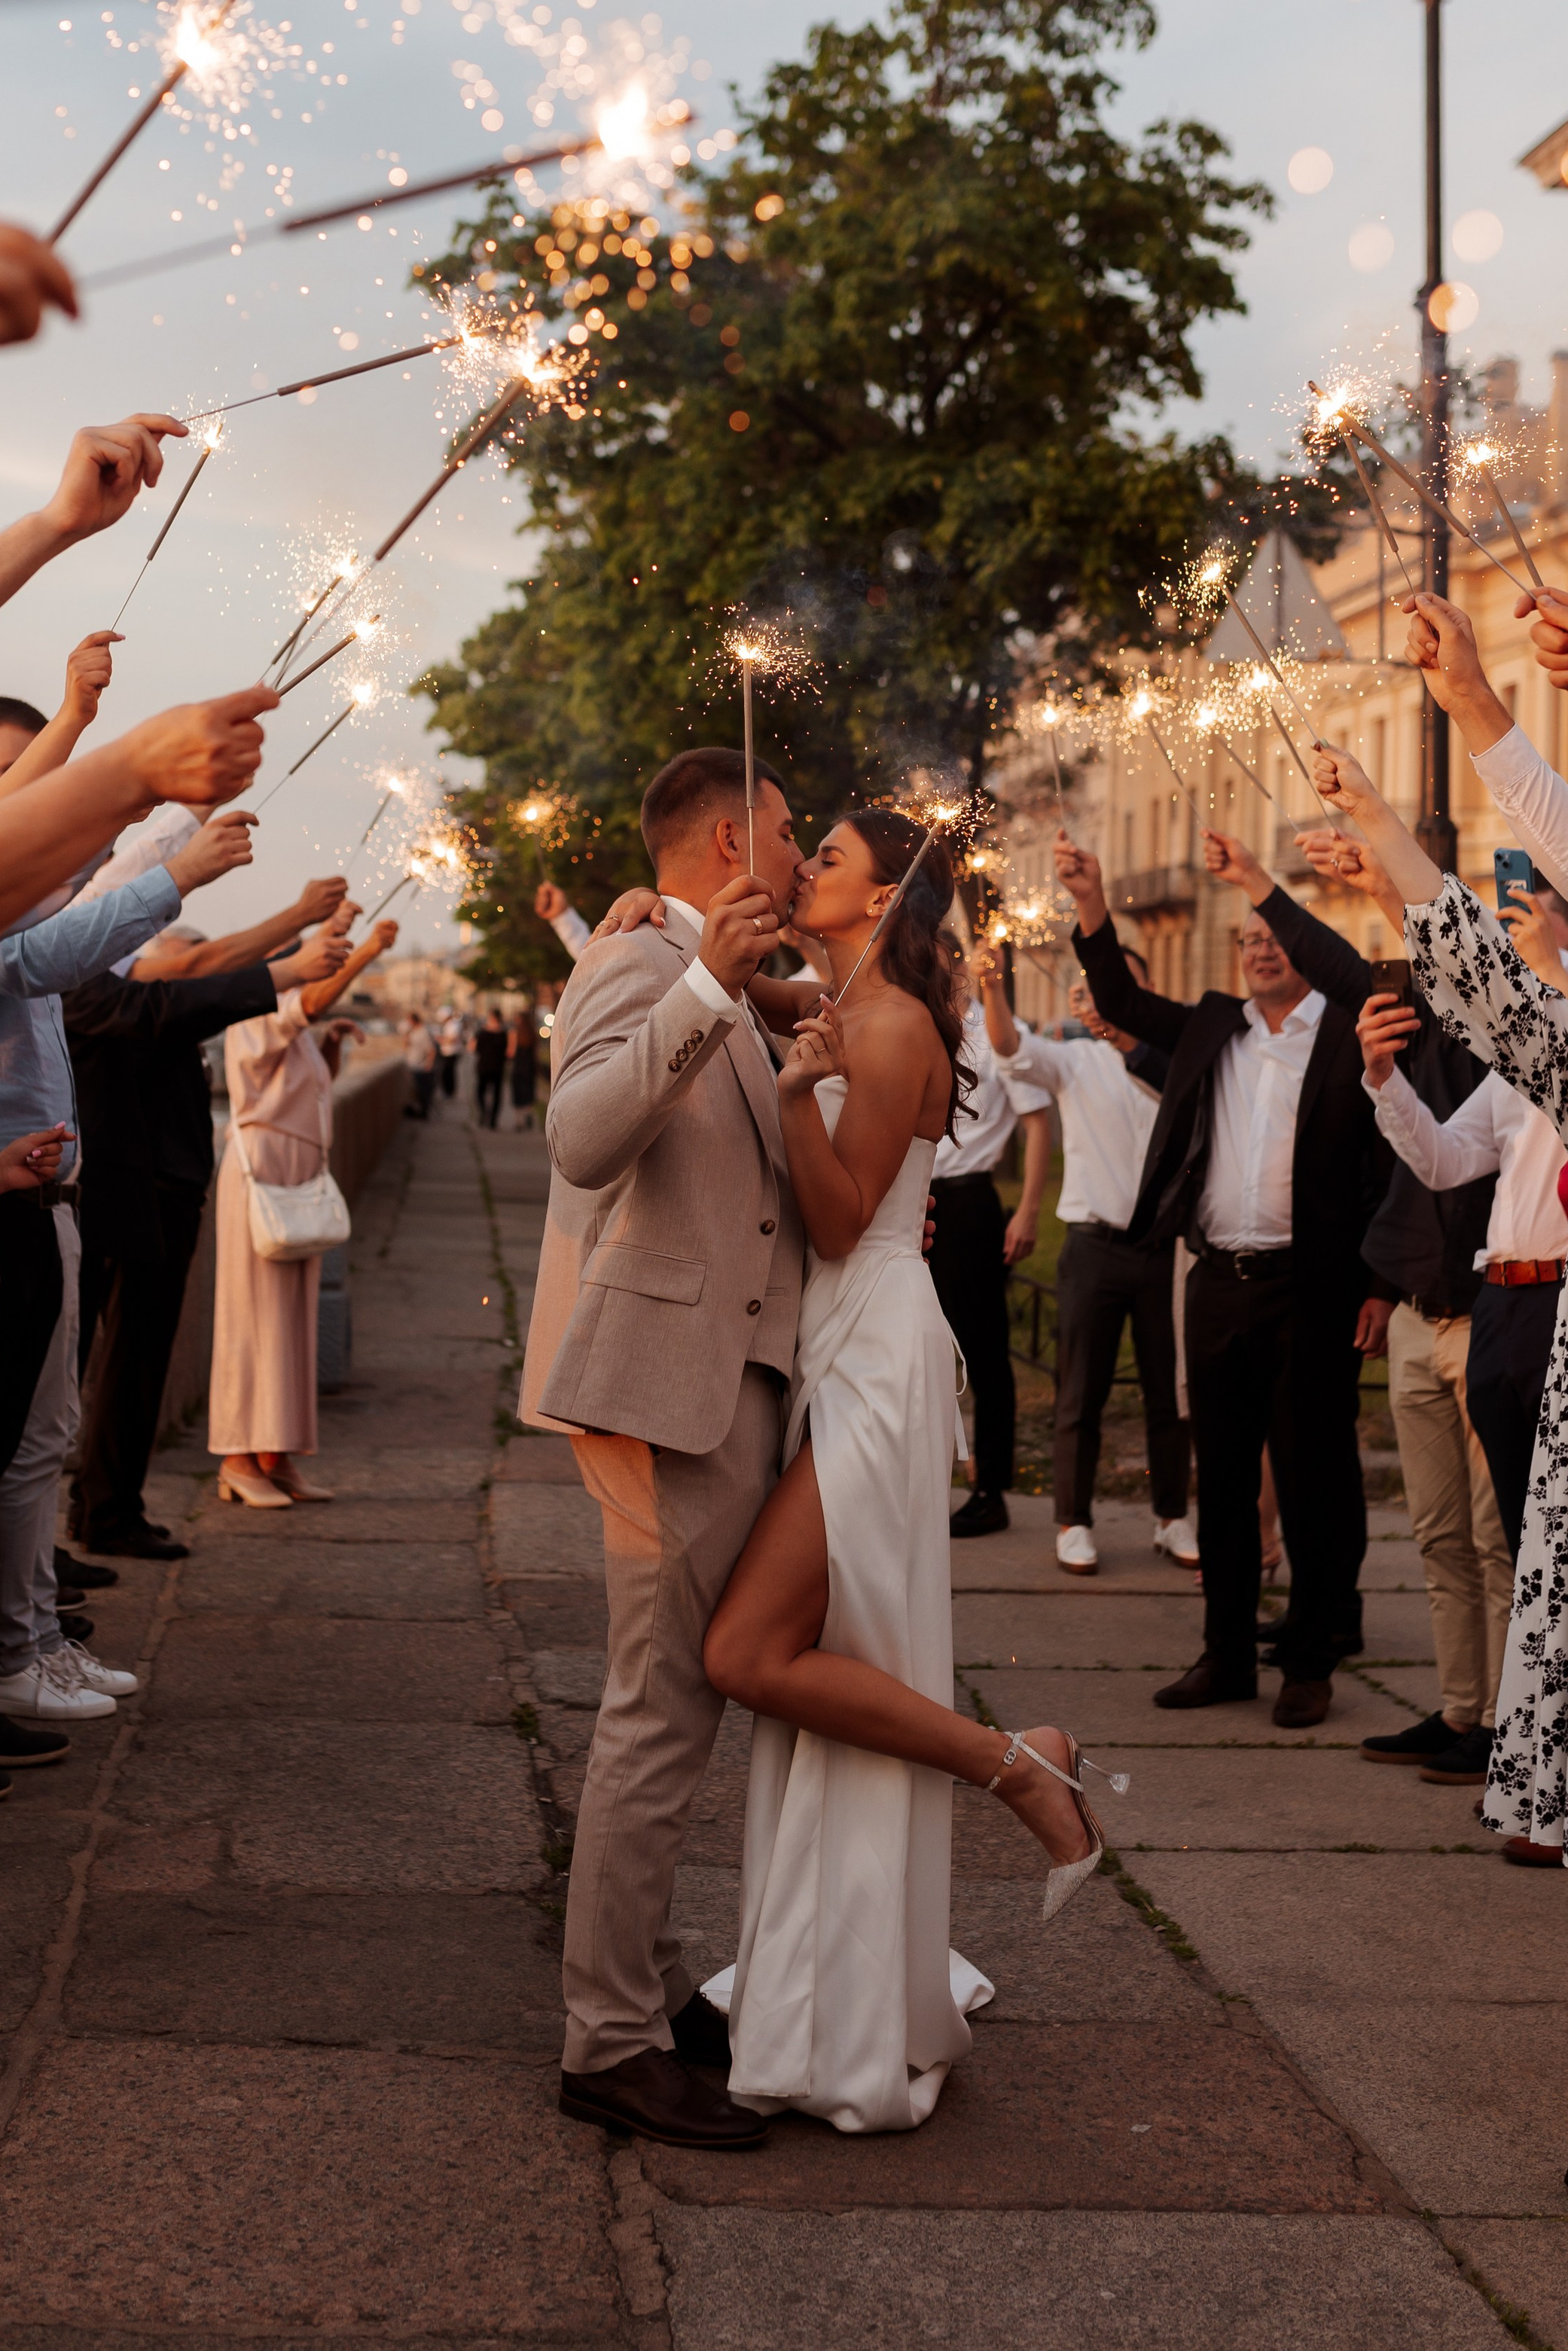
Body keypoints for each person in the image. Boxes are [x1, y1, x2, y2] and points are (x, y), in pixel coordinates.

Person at [558, 774, 1123, 2140]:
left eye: (824, 851)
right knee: (774, 1664)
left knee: (743, 1658)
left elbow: (833, 1215)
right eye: (789, 837)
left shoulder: (880, 1019)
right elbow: (713, 1007)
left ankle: (1018, 1766)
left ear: (882, 894)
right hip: (812, 1358)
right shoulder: (813, 995)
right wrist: (646, 917)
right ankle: (775, 1973)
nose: (800, 859)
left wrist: (800, 1097)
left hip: (865, 1357)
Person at [1197, 823, 1512, 1788]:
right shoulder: (1414, 1018)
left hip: (1494, 1312)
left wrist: (1299, 879)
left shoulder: (1515, 1034)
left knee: (1498, 1541)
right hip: (1419, 1313)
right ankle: (1463, 1708)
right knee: (1439, 1536)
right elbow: (1432, 1149)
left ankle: (1513, 1728)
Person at [1059, 828, 1386, 1729]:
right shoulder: (1214, 1025)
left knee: (1313, 1482)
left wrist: (1380, 1283)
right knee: (1226, 1479)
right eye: (1247, 938)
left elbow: (1383, 1166)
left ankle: (1311, 1661)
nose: (1259, 948)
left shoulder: (1348, 1030)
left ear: (1304, 947)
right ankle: (1227, 1654)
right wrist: (1090, 899)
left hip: (1311, 1290)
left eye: (1274, 936)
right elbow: (1119, 997)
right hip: (1217, 1284)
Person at [0, 816, 252, 1726]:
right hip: (39, 1206)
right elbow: (100, 927)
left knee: (43, 1439)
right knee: (29, 1446)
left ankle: (33, 1640)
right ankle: (19, 1648)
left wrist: (165, 814)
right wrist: (168, 830)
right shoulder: (58, 960)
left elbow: (82, 892)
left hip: (51, 1203)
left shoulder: (40, 927)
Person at [66, 889, 351, 1560]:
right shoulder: (105, 992)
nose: (199, 971)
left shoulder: (123, 995)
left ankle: (107, 1507)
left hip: (161, 1192)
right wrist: (297, 944)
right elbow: (205, 989)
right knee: (117, 1365)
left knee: (134, 1364)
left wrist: (317, 933)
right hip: (134, 1196)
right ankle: (101, 1514)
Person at [973, 942, 1195, 1574]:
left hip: (1166, 1249)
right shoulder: (1074, 1060)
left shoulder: (1176, 1061)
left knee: (1169, 1395)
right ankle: (1073, 1521)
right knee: (1080, 1393)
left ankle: (1172, 1516)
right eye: (1105, 985)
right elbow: (1010, 1047)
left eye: (1127, 986)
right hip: (1094, 1247)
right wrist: (993, 988)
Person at [209, 910, 398, 1510]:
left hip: (294, 1174)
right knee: (253, 1318)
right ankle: (238, 1459)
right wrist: (366, 950)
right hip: (263, 1174)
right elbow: (309, 1003)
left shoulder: (288, 1020)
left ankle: (276, 1455)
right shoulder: (254, 1008)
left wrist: (332, 1046)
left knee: (293, 1322)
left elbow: (308, 1087)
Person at [923, 938, 1052, 1538]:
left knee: (983, 1352)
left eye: (939, 962)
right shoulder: (919, 1024)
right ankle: (921, 1481)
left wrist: (1028, 1211)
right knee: (918, 1348)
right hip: (912, 1201)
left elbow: (1036, 1123)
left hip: (970, 1204)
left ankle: (990, 1490)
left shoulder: (996, 1034)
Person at [471, 1006, 508, 1128]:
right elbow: (509, 1053)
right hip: (497, 1066)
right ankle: (492, 1119)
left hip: (484, 1066)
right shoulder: (504, 1033)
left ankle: (484, 1114)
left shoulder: (482, 1032)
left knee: (480, 1092)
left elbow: (473, 1048)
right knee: (496, 1094)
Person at [402, 1011, 437, 1119]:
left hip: (421, 1068)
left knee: (422, 1093)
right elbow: (406, 1045)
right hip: (413, 1066)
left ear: (413, 1021)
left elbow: (432, 1050)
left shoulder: (424, 1033)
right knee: (414, 1093)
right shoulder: (413, 1032)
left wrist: (429, 1065)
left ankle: (423, 1114)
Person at [507, 1005, 537, 1124]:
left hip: (518, 1067)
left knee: (517, 1092)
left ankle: (519, 1120)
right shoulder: (532, 1033)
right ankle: (529, 1113)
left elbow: (511, 1053)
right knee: (529, 1090)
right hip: (530, 1066)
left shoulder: (514, 1033)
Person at [436, 1005, 462, 1099]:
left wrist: (441, 1040)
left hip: (452, 1053)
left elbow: (452, 1039)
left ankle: (449, 1092)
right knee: (446, 1073)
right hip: (446, 1052)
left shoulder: (454, 1024)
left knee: (448, 1073)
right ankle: (448, 1092)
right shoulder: (448, 1025)